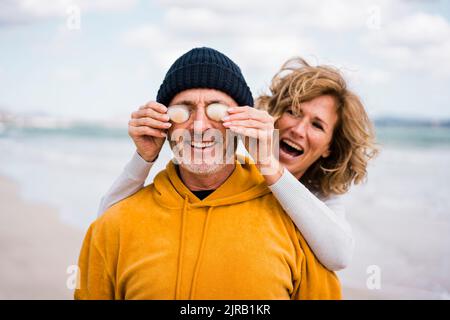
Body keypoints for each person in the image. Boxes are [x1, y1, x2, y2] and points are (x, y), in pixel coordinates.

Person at [75, 47, 341, 300]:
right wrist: (143, 157)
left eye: (217, 110)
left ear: (243, 122)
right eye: (184, 110)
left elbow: (339, 253)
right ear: (162, 123)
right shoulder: (114, 226)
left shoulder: (302, 227)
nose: (200, 126)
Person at [97, 56, 378, 271]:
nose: (298, 130)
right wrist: (144, 156)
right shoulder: (232, 169)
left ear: (330, 146)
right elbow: (106, 226)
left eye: (317, 125)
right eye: (292, 112)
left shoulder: (323, 196)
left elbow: (339, 255)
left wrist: (270, 166)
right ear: (270, 114)